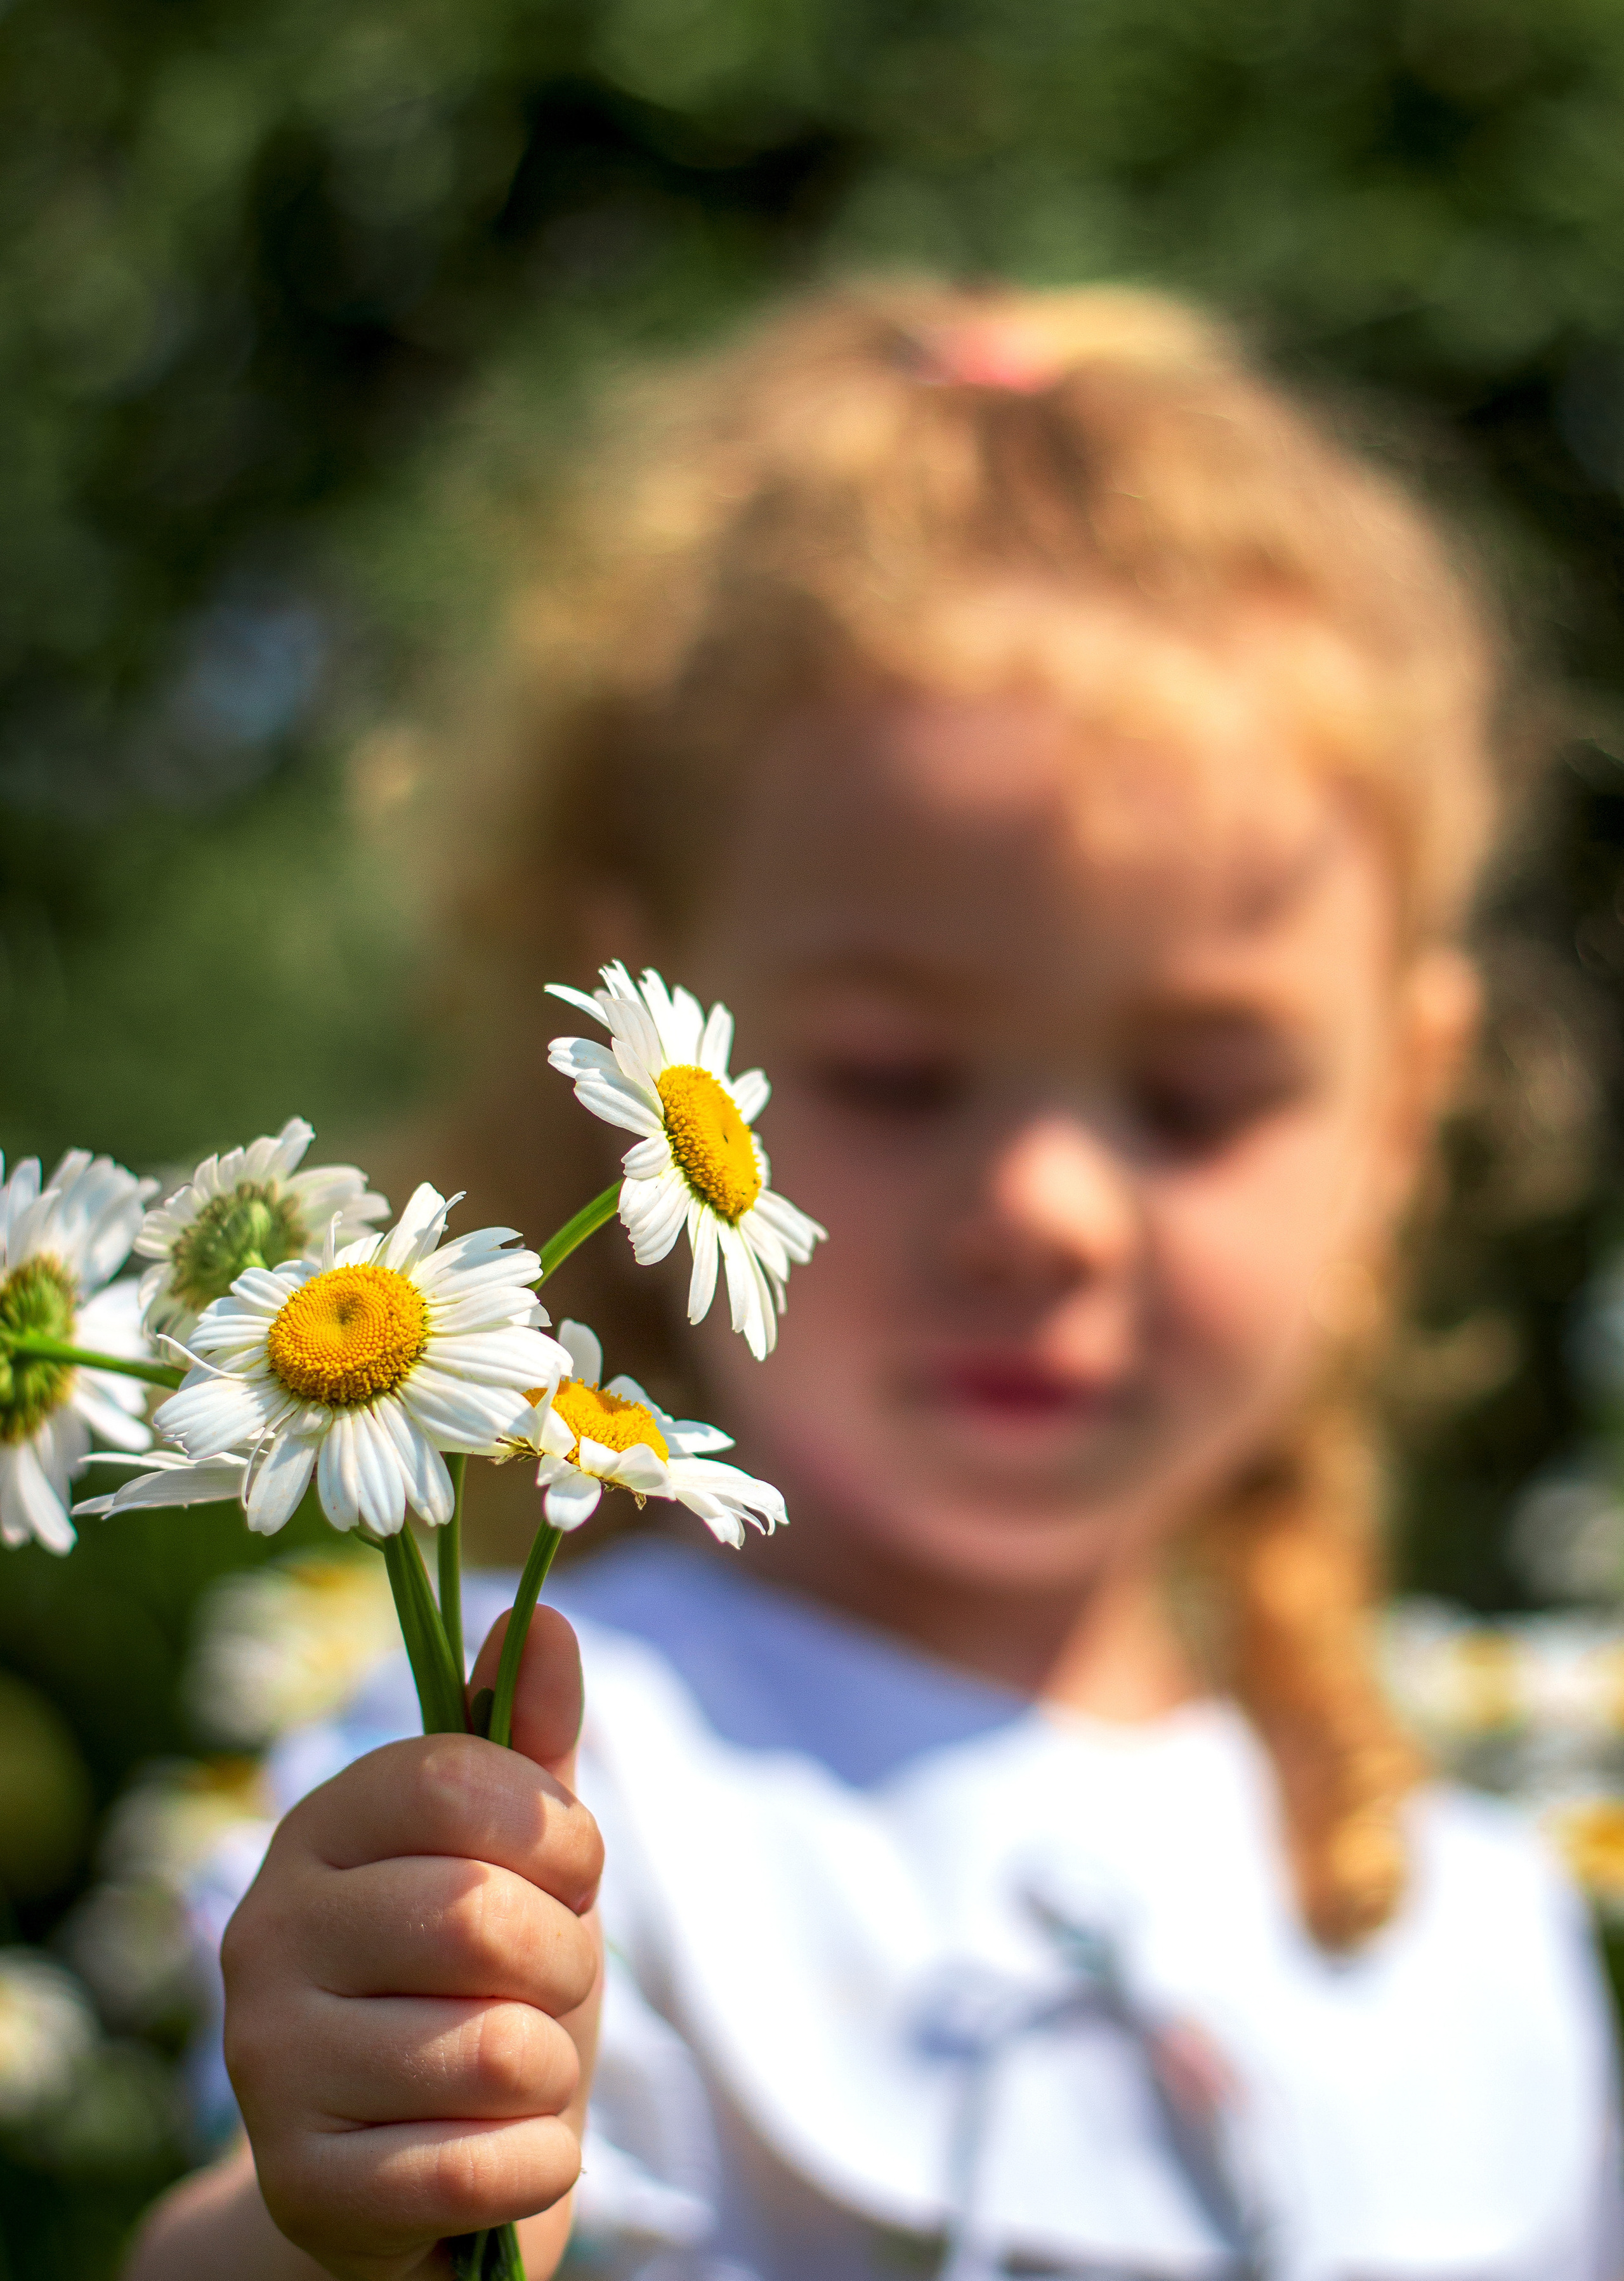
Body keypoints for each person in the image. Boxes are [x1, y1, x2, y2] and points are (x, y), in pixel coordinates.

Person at [126, 282, 1623, 2280]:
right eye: (897, 1076)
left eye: (1194, 1095)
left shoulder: (1474, 1916)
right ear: (643, 1054)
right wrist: (334, 2217)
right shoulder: (521, 1765)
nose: (1046, 1210)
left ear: (1400, 1111)